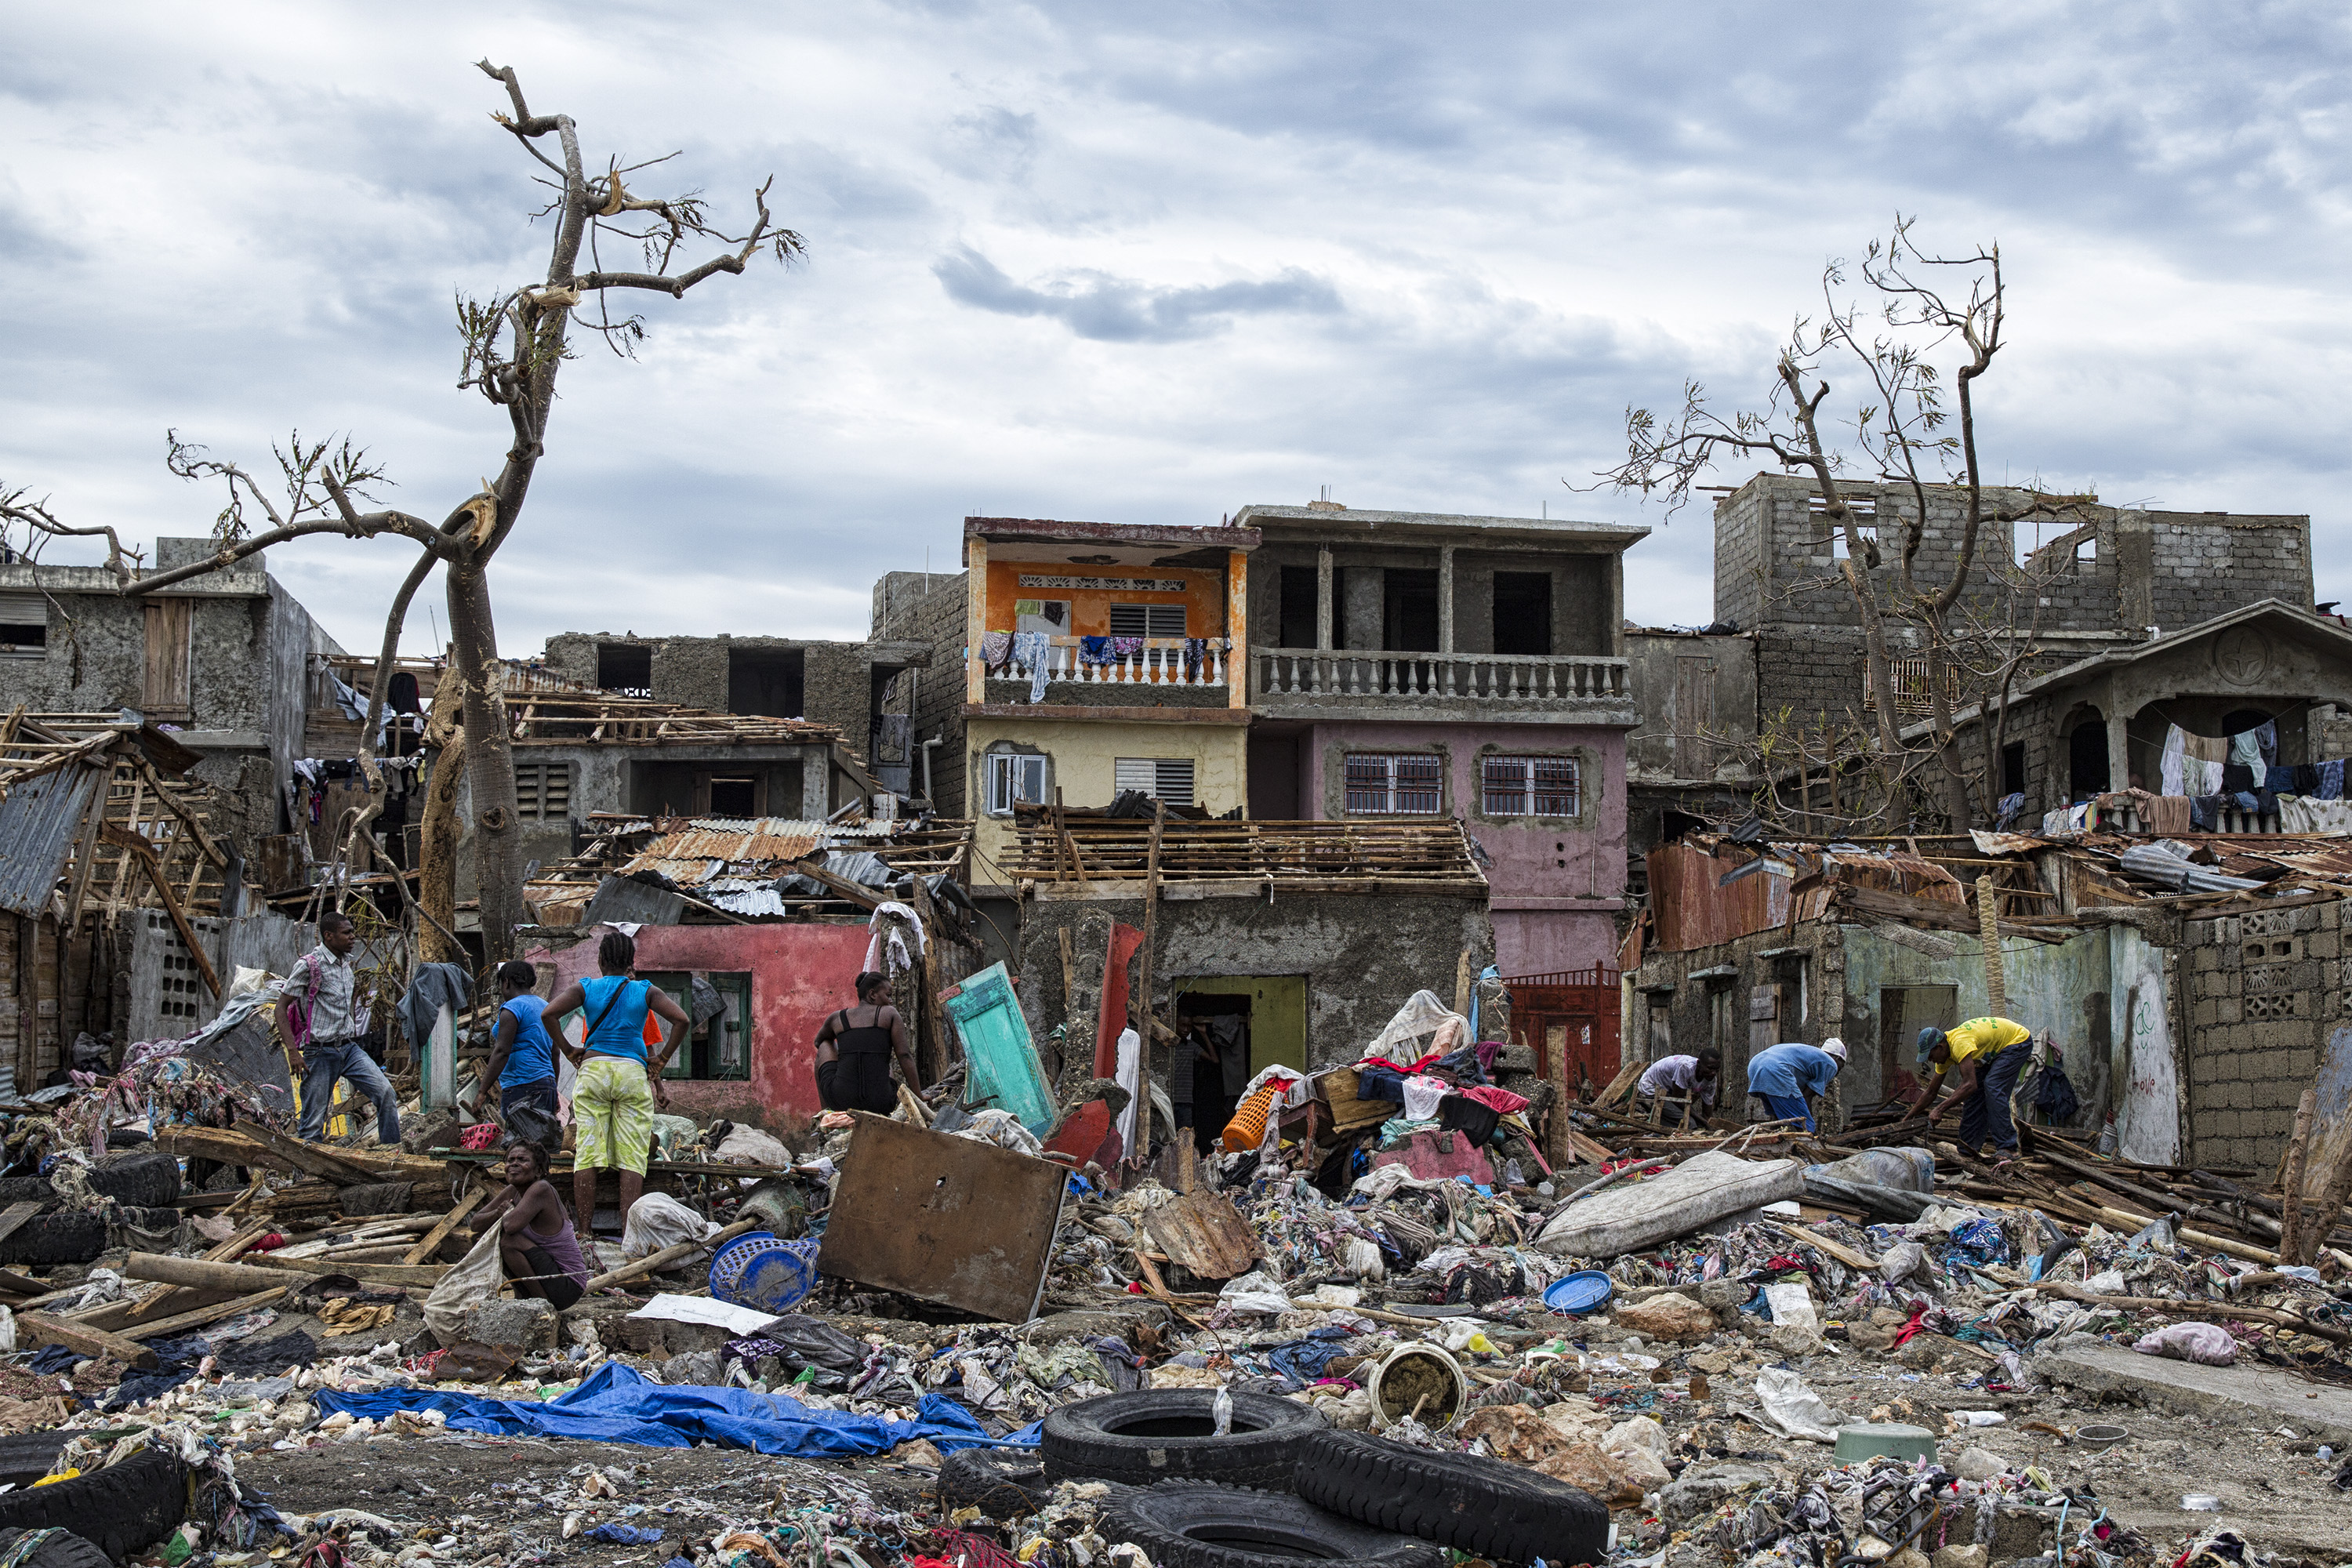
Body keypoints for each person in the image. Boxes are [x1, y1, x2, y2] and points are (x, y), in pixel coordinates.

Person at [543, 931, 690, 1228]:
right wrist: (661, 1060)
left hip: (594, 1071)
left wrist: (569, 1049)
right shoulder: (645, 991)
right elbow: (682, 1020)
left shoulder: (586, 988)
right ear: (630, 962)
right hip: (632, 1074)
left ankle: (584, 1232)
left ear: (600, 960)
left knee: (588, 1151)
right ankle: (628, 1231)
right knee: (633, 1154)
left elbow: (548, 1014)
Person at [278, 911, 400, 1145]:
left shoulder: (346, 963)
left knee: (385, 1093)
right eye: (347, 933)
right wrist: (293, 1052)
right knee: (313, 1121)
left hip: (348, 1049)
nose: (353, 937)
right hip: (319, 1052)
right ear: (329, 936)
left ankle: (392, 1155)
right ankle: (305, 1176)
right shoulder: (309, 965)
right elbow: (280, 1008)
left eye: (353, 931)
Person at [474, 1139, 589, 1311]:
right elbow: (475, 1223)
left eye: (522, 1160)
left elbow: (511, 1226)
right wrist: (498, 1213)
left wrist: (501, 1215)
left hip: (568, 1283)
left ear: (538, 1171)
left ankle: (541, 1304)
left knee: (509, 1241)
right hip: (549, 1278)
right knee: (482, 1239)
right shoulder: (513, 1190)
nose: (514, 1164)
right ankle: (524, 1295)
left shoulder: (541, 1188)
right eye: (510, 1160)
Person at [1911, 1018, 2037, 1153]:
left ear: (1940, 1047)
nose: (1930, 1060)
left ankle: (2008, 1147)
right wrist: (1907, 1119)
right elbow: (1931, 1092)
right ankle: (1968, 1149)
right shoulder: (1944, 1056)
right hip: (1997, 1050)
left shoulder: (1959, 1044)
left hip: (2017, 1041)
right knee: (1974, 1096)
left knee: (1993, 1086)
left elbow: (1970, 1084)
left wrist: (1940, 1109)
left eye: (1930, 1056)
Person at [814, 971, 920, 1113]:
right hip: (881, 1102)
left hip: (841, 1101)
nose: (891, 1001)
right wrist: (919, 1096)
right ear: (872, 994)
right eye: (888, 995)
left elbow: (818, 1042)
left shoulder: (837, 1018)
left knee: (825, 1045)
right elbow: (904, 1055)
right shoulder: (890, 1014)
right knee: (882, 1061)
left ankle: (826, 1112)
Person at [478, 962, 559, 1136]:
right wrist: (554, 1089)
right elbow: (555, 1053)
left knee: (518, 1145)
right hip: (546, 1084)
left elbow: (502, 1052)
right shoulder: (546, 1007)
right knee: (539, 1146)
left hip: (521, 1085)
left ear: (506, 982)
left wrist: (482, 1091)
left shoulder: (512, 1008)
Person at [1744, 1038, 1846, 1134]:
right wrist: (1810, 1131)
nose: (1836, 1074)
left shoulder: (1810, 1054)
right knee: (1806, 1124)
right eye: (1840, 1067)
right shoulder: (1830, 1064)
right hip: (1774, 1068)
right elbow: (1807, 1097)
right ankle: (1812, 1148)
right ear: (1837, 1058)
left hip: (1755, 1065)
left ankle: (1770, 1144)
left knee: (1778, 1117)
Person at [1636, 1049, 1719, 1127]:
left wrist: (1710, 1125)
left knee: (1696, 1123)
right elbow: (1677, 1099)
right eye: (1710, 1068)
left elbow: (1707, 1114)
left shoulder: (1711, 1081)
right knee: (1689, 1124)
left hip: (1668, 1092)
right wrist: (1704, 1123)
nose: (1713, 1073)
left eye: (1717, 1069)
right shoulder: (1685, 1068)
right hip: (1650, 1088)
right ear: (1699, 1064)